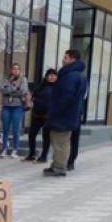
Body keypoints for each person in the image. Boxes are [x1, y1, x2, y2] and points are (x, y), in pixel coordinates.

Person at [45, 49, 87, 177]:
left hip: (63, 115)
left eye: (65, 57)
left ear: (72, 59)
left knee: (61, 142)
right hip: (70, 115)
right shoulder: (79, 75)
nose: (63, 59)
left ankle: (59, 168)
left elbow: (66, 97)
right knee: (61, 141)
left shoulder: (70, 76)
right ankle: (57, 165)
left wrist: (55, 111)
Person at [25, 68, 56, 162]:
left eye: (54, 75)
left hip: (48, 116)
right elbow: (33, 97)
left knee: (46, 137)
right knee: (31, 134)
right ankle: (31, 154)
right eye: (50, 75)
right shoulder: (41, 86)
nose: (52, 77)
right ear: (46, 77)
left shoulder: (58, 87)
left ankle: (44, 156)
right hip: (37, 115)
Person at [0, 63, 30, 159]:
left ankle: (15, 149)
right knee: (5, 128)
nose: (15, 70)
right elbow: (2, 90)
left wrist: (10, 90)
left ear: (20, 71)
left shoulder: (23, 79)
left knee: (16, 129)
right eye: (14, 69)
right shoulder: (6, 80)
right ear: (11, 70)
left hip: (17, 106)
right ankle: (4, 148)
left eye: (17, 69)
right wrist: (14, 88)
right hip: (6, 106)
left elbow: (23, 91)